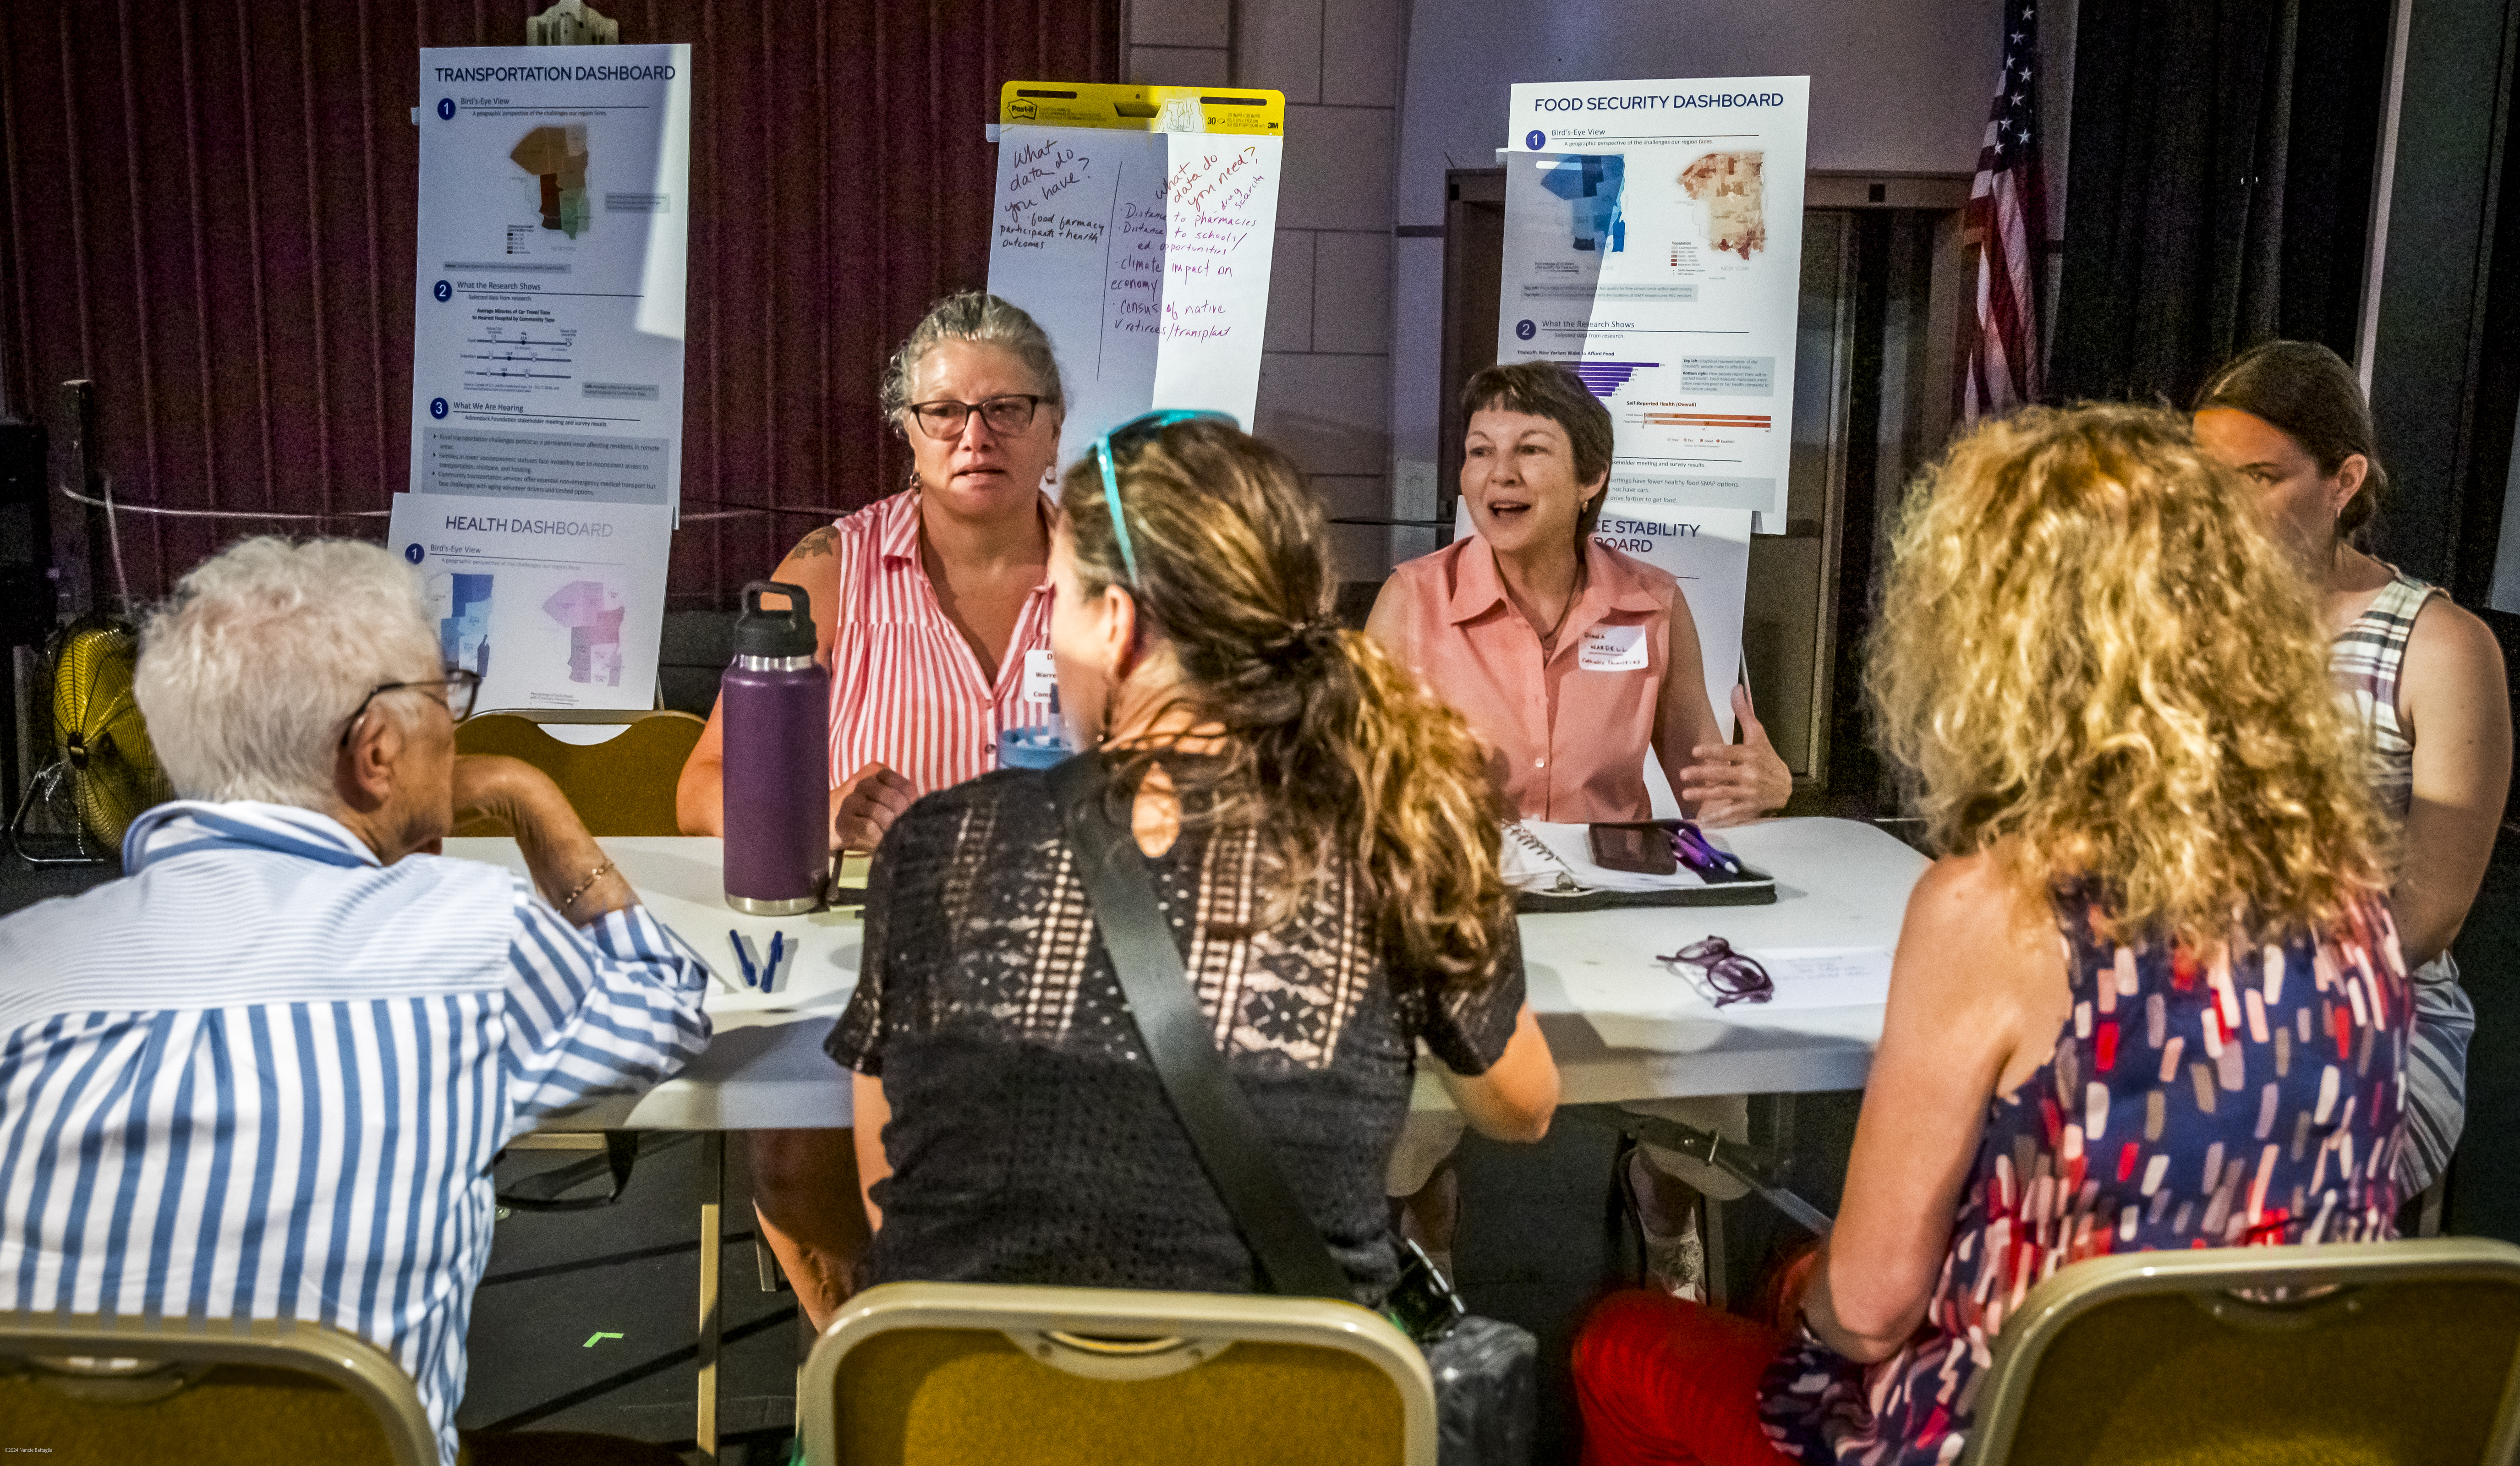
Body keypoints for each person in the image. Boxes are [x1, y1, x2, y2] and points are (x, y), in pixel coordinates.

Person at [1573, 405, 2410, 1466]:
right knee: (1789, 1276)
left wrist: (1836, 1300)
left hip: (2020, 1428)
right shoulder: (2349, 889)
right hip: (2269, 1425)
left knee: (1622, 1342)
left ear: (1990, 642)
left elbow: (1869, 1312)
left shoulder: (1997, 909)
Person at [0, 538, 710, 1466]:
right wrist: (534, 798)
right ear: (375, 749)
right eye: (445, 694)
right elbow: (666, 997)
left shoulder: (20, 968)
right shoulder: (472, 938)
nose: (458, 724)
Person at [831, 415, 1560, 1302]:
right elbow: (1520, 1107)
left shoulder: (935, 846)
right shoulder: (1401, 827)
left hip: (958, 1409)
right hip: (1293, 1411)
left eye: (1056, 603)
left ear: (1115, 626)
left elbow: (891, 1188)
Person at [674, 290, 1065, 1324]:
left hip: (1059, 940)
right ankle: (861, 1365)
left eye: (1007, 408)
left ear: (1055, 427)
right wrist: (810, 808)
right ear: (906, 432)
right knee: (791, 1149)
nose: (974, 435)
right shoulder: (829, 570)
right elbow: (699, 786)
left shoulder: (1112, 577)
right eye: (944, 412)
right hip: (863, 952)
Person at [1366, 361, 1792, 1292]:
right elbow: (1357, 777)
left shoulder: (1650, 598)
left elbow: (1702, 778)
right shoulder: (1413, 598)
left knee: (1709, 1082)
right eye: (1479, 453)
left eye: (1528, 451)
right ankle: (1429, 1237)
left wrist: (1762, 782)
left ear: (1590, 478)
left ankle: (1660, 1192)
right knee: (1410, 1111)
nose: (1495, 476)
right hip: (1464, 909)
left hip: (1623, 903)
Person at [2195, 339, 2509, 1200]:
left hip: (2367, 1013)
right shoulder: (2182, 619)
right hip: (2181, 990)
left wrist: (2246, 1010)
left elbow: (2429, 916)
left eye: (2257, 479)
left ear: (2344, 481)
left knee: (2217, 1151)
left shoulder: (2439, 647)